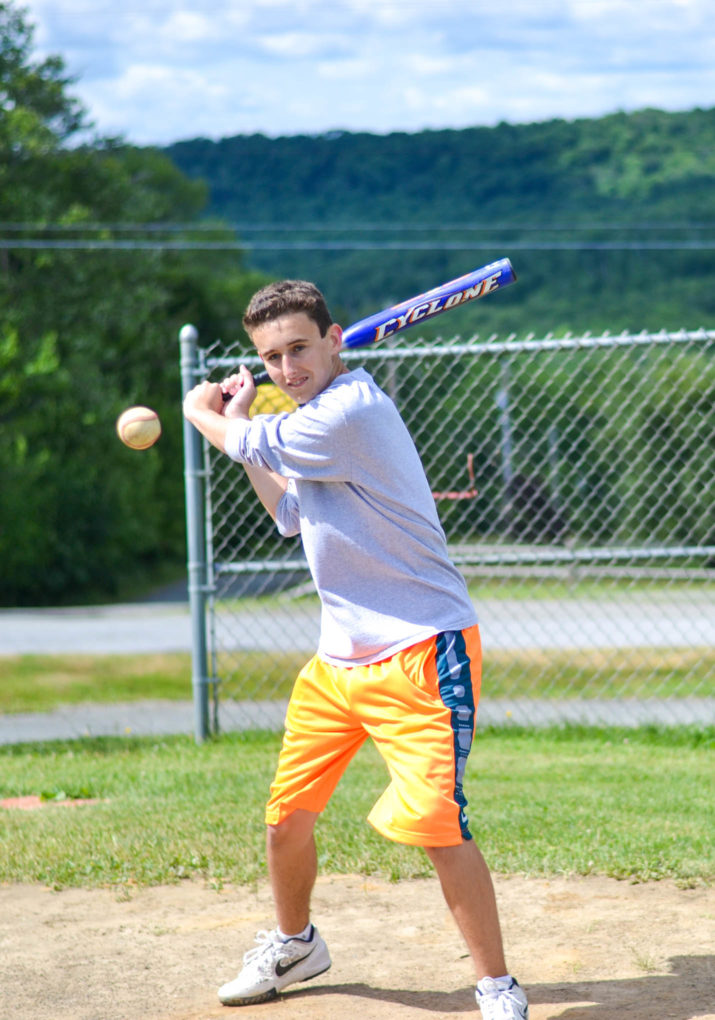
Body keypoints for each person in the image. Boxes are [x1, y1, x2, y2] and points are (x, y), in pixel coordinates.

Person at [182, 279, 529, 1020]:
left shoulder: (352, 411)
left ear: (335, 338)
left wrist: (201, 414)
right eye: (271, 356)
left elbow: (247, 440)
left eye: (299, 348)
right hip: (336, 662)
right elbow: (286, 510)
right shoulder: (311, 416)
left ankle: (496, 985)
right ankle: (294, 942)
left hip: (419, 650)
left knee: (438, 827)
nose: (285, 367)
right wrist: (241, 420)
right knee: (285, 818)